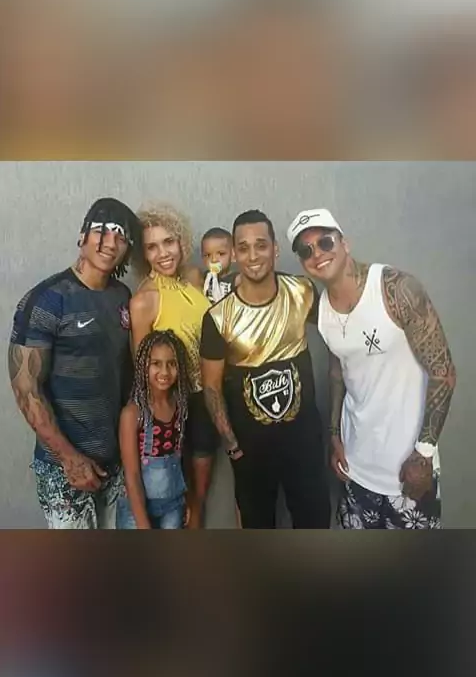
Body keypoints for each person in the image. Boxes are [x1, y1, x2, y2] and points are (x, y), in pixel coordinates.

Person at [288, 207, 457, 529]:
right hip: (355, 468)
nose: (317, 254)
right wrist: (335, 435)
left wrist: (424, 454)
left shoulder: (396, 288)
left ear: (345, 243)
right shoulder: (322, 311)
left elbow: (444, 373)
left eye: (325, 242)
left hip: (408, 470)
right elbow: (338, 372)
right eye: (306, 250)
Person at [8, 197, 142, 529]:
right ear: (82, 235)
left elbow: (128, 374)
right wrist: (69, 458)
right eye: (101, 231)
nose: (110, 243)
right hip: (63, 470)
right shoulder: (46, 300)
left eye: (121, 237)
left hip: (115, 465)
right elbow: (27, 390)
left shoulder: (123, 297)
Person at [200, 209, 330, 529]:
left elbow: (341, 334)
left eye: (261, 245)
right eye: (243, 248)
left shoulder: (302, 292)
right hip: (252, 453)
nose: (253, 256)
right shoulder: (218, 318)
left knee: (315, 528)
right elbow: (212, 387)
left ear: (275, 249)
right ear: (234, 254)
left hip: (304, 446)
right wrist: (232, 445)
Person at [129, 204, 219, 528]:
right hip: (175, 406)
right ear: (143, 254)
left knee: (199, 501)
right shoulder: (144, 300)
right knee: (176, 504)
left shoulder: (194, 278)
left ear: (181, 241)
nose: (163, 253)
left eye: (168, 242)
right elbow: (143, 368)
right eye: (152, 247)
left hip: (209, 396)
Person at [117, 330, 190, 529]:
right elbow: (132, 475)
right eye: (156, 363)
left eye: (172, 363)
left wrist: (188, 499)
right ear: (143, 366)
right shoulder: (132, 414)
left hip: (173, 505)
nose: (165, 372)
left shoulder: (180, 405)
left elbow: (182, 459)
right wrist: (143, 525)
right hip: (136, 510)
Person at [201, 227, 239, 304]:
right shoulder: (205, 278)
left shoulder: (237, 279)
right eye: (208, 255)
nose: (214, 259)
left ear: (233, 256)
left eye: (221, 254)